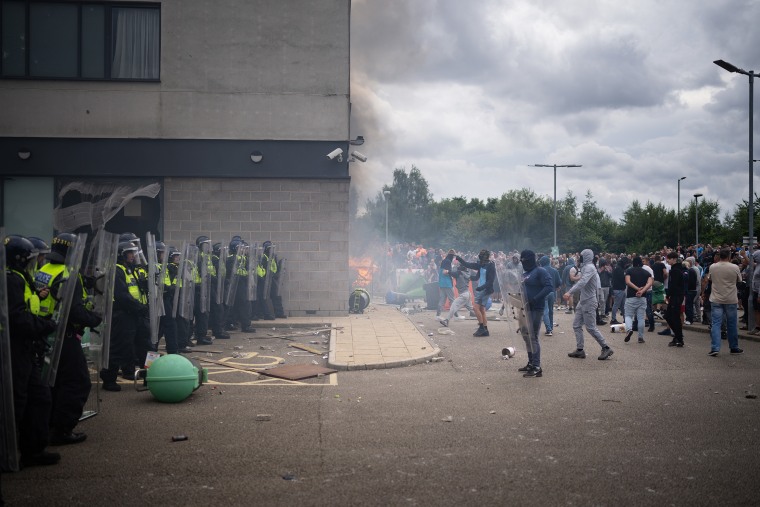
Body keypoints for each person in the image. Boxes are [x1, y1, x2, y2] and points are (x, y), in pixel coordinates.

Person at [34, 233, 102, 445]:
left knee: (54, 381)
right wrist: (94, 319)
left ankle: (50, 423)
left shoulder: (44, 269)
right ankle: (62, 429)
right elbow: (74, 312)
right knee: (78, 381)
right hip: (64, 334)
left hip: (45, 331)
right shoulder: (69, 274)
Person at [4, 235, 60, 466]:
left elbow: (23, 308)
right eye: (34, 258)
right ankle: (9, 454)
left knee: (39, 398)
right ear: (20, 260)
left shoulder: (20, 278)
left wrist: (37, 297)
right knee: (16, 401)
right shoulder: (11, 281)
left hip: (26, 348)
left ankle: (33, 450)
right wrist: (46, 326)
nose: (38, 262)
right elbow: (17, 318)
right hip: (14, 349)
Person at [100, 241, 147, 391]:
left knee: (145, 345)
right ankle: (108, 379)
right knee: (119, 347)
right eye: (130, 253)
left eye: (134, 252)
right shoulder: (116, 270)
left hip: (136, 314)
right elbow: (122, 296)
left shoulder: (130, 269)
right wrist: (140, 307)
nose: (133, 256)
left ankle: (149, 375)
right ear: (121, 254)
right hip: (123, 314)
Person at [563, 249, 614, 360]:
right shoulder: (586, 267)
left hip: (589, 301)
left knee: (591, 327)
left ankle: (606, 347)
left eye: (580, 256)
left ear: (585, 257)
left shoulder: (590, 268)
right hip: (583, 301)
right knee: (576, 325)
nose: (578, 258)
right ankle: (580, 350)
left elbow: (582, 282)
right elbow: (581, 280)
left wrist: (569, 292)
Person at [518, 250, 553, 378]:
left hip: (536, 308)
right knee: (526, 336)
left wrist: (535, 299)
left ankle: (537, 367)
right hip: (525, 308)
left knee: (532, 337)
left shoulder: (540, 271)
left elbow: (549, 287)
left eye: (524, 261)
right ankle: (531, 363)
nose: (523, 263)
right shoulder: (526, 273)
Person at [707, 248, 743, 356]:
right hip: (731, 299)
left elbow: (710, 279)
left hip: (716, 298)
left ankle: (715, 348)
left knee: (716, 324)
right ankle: (734, 347)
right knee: (731, 324)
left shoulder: (713, 267)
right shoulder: (735, 267)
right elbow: (739, 281)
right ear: (729, 256)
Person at [456, 250, 496, 337]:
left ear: (485, 257)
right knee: (481, 309)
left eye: (481, 255)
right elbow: (470, 267)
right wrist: (459, 259)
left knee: (475, 308)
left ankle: (481, 327)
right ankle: (485, 329)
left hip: (485, 289)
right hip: (481, 288)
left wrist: (480, 288)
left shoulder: (491, 266)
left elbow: (490, 281)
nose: (479, 257)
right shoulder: (481, 265)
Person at [623, 256, 653, 344]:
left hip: (631, 296)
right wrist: (642, 290)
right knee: (641, 318)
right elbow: (650, 283)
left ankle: (629, 329)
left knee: (628, 315)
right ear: (641, 263)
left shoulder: (629, 271)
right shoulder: (646, 272)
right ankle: (640, 337)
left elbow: (628, 282)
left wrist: (637, 289)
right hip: (642, 297)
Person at [439, 259, 475, 327]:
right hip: (467, 294)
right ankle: (482, 319)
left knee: (453, 306)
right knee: (472, 310)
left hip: (464, 295)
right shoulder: (467, 273)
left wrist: (447, 271)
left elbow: (452, 273)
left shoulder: (459, 272)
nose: (458, 266)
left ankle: (446, 320)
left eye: (460, 265)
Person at [663, 251, 687, 347]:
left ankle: (679, 338)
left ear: (673, 259)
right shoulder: (677, 269)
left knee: (673, 317)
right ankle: (677, 336)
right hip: (676, 295)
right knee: (670, 316)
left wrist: (668, 295)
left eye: (668, 259)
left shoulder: (675, 270)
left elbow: (674, 284)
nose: (667, 261)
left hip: (676, 296)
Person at [538, 255, 561, 336]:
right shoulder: (555, 271)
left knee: (545, 311)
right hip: (552, 292)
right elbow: (559, 283)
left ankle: (549, 329)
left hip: (543, 292)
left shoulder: (540, 270)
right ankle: (551, 327)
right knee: (550, 311)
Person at [436, 249, 456, 318]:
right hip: (447, 283)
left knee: (442, 300)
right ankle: (456, 315)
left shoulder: (444, 261)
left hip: (441, 283)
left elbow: (441, 272)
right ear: (452, 256)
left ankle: (437, 316)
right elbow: (445, 272)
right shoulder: (448, 262)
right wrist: (452, 273)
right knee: (452, 299)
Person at [609, 257, 627, 324]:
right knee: (617, 304)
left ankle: (624, 319)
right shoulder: (620, 269)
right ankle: (613, 319)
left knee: (621, 305)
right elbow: (622, 278)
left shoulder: (616, 267)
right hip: (620, 288)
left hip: (617, 288)